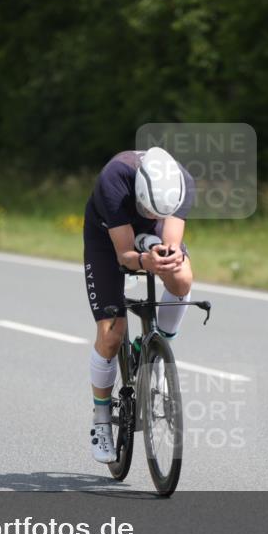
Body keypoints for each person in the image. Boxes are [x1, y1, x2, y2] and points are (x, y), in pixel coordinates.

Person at [83, 147, 196, 463]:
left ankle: (159, 352)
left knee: (182, 278)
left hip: (151, 235)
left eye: (158, 213)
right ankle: (101, 419)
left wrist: (168, 257)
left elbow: (171, 241)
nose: (152, 216)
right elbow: (124, 255)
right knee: (111, 334)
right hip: (107, 238)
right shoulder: (114, 179)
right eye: (148, 210)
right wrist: (145, 261)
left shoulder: (182, 182)